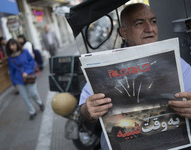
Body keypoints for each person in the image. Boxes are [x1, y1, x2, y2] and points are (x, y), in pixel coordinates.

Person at [79, 3, 191, 150]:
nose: (150, 29)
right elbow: (83, 111)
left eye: (153, 22)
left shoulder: (176, 62)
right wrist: (89, 110)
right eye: (139, 23)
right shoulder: (105, 66)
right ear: (123, 32)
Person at [6, 38, 45, 120]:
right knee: (25, 97)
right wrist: (14, 82)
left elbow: (32, 62)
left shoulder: (25, 52)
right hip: (19, 79)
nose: (12, 47)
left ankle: (40, 103)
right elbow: (12, 71)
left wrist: (27, 71)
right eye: (10, 46)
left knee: (33, 93)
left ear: (16, 44)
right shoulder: (10, 58)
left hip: (29, 76)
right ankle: (32, 112)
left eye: (13, 45)